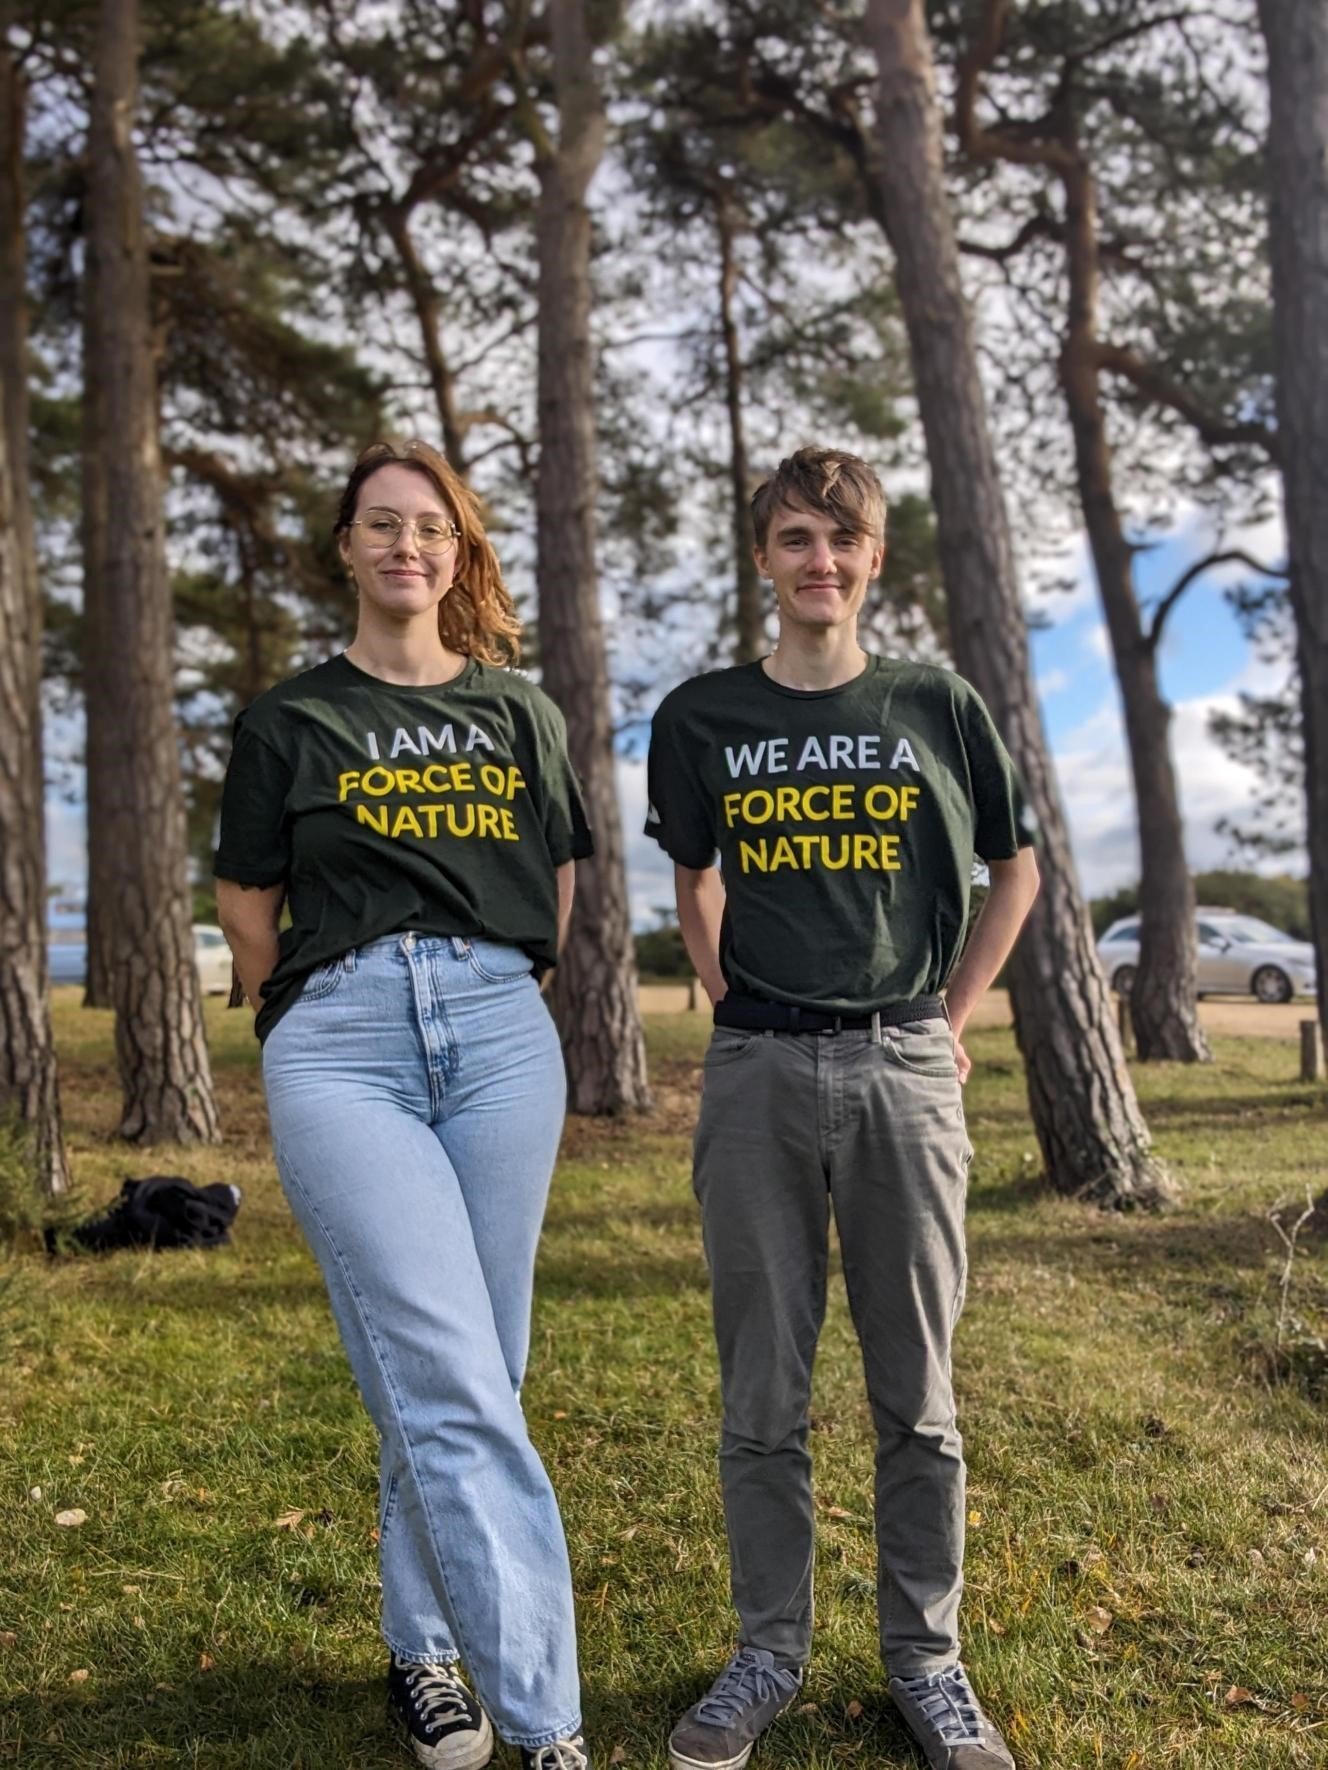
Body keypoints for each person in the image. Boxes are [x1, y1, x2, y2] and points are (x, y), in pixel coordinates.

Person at [645, 448, 1040, 1770]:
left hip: (902, 1066)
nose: (821, 559)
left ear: (876, 560)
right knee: (763, 1384)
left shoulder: (935, 699)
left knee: (916, 1392)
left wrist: (953, 1012)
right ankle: (768, 1647)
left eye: (844, 539)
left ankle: (928, 1661)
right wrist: (728, 999)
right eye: (796, 537)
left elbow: (1015, 867)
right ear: (764, 556)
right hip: (758, 1067)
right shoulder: (703, 716)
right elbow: (693, 878)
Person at [215, 439, 593, 1770]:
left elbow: (554, 885)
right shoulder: (286, 721)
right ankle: (549, 1723)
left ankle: (424, 1643)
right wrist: (311, 1011)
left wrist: (499, 991)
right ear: (347, 547)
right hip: (344, 1043)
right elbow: (247, 901)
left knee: (475, 1366)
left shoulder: (519, 714)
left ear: (457, 548)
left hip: (498, 1036)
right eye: (381, 525)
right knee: (440, 1364)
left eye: (428, 527)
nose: (405, 547)